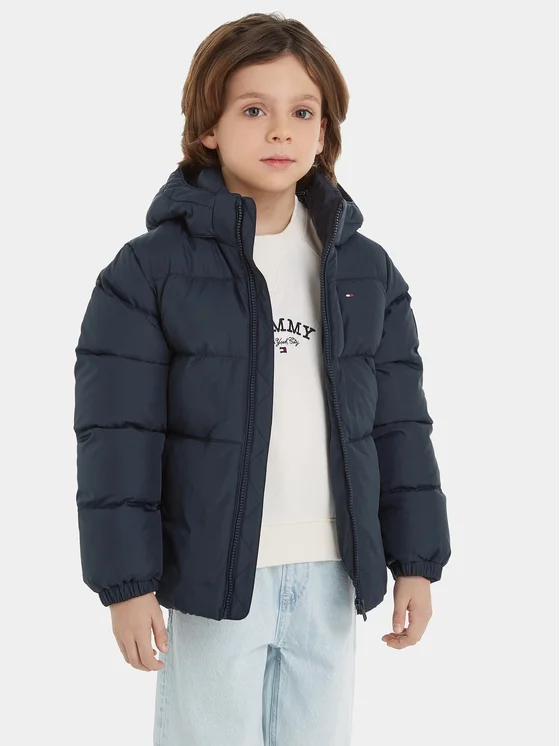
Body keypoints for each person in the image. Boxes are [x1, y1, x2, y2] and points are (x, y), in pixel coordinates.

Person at [73, 11, 451, 746]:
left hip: (335, 571)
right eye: (254, 110)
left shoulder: (367, 271)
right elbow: (117, 438)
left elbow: (401, 426)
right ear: (208, 128)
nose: (281, 131)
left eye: (302, 112)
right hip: (213, 574)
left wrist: (417, 560)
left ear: (324, 131)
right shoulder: (148, 273)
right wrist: (127, 583)